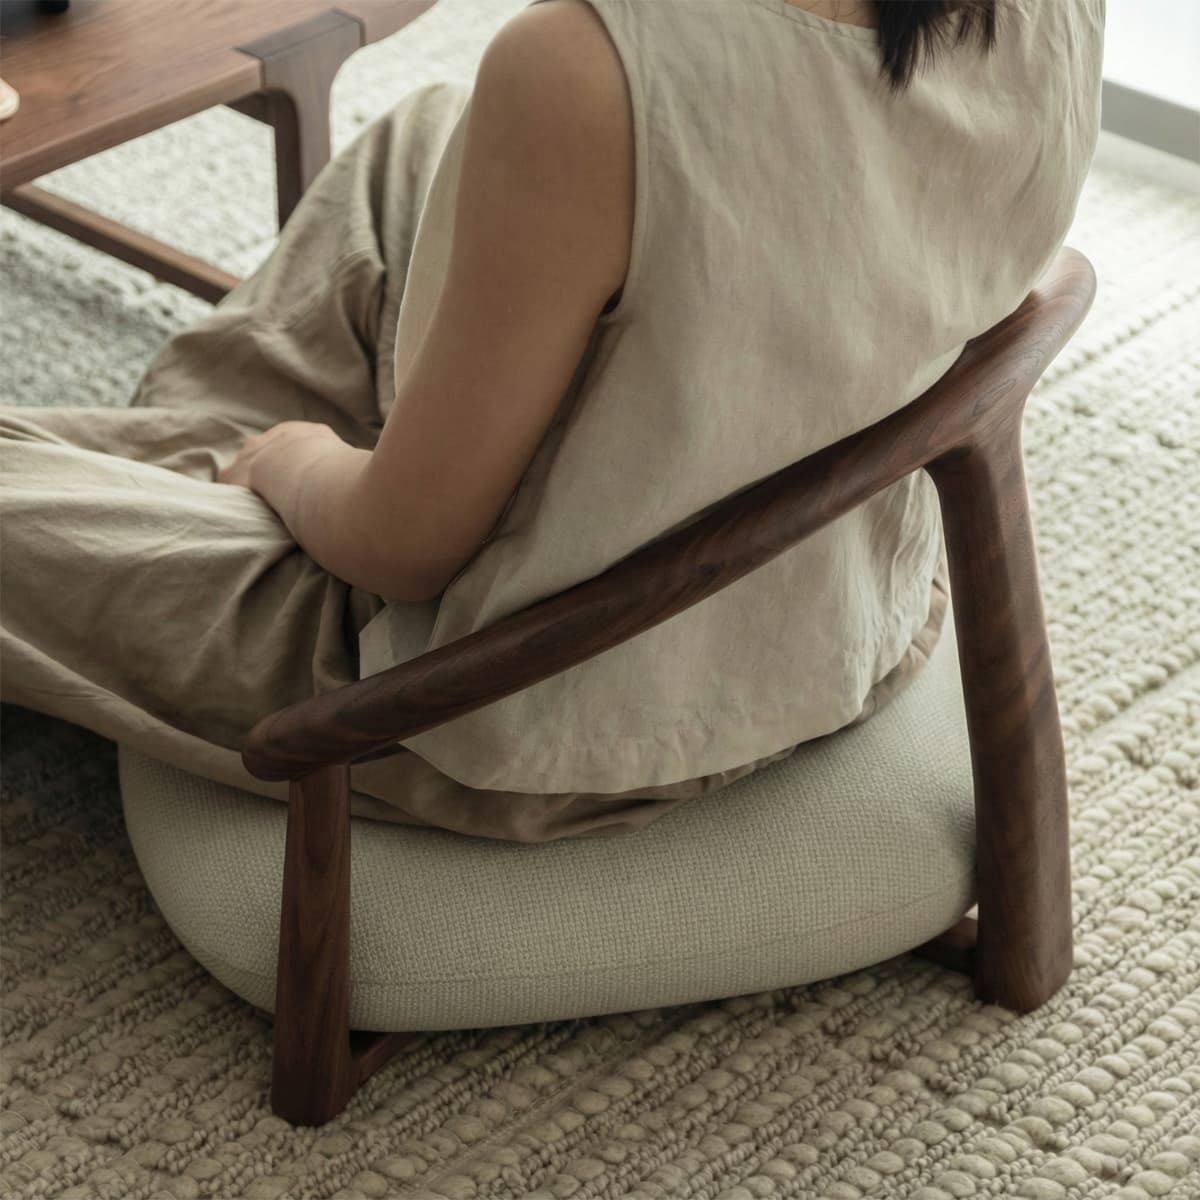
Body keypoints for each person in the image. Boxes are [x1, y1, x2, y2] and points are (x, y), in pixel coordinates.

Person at [0, 0, 1106, 842]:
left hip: (518, 700)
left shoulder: (594, 68)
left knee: (126, 471)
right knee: (421, 136)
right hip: (828, 611)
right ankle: (178, 492)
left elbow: (402, 551)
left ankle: (176, 507)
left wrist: (298, 465)